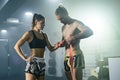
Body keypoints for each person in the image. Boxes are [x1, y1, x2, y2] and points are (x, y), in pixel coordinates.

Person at [14, 13, 59, 80]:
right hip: (33, 64)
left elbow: (51, 48)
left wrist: (58, 45)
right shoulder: (29, 33)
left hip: (42, 63)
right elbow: (16, 46)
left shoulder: (44, 35)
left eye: (44, 23)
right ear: (36, 22)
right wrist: (25, 58)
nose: (44, 25)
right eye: (42, 23)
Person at [55, 6, 93, 80]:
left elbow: (89, 31)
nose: (61, 21)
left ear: (66, 14)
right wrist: (61, 43)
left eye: (61, 19)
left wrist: (74, 37)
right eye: (59, 20)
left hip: (75, 54)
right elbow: (65, 41)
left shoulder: (76, 23)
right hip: (66, 56)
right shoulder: (63, 27)